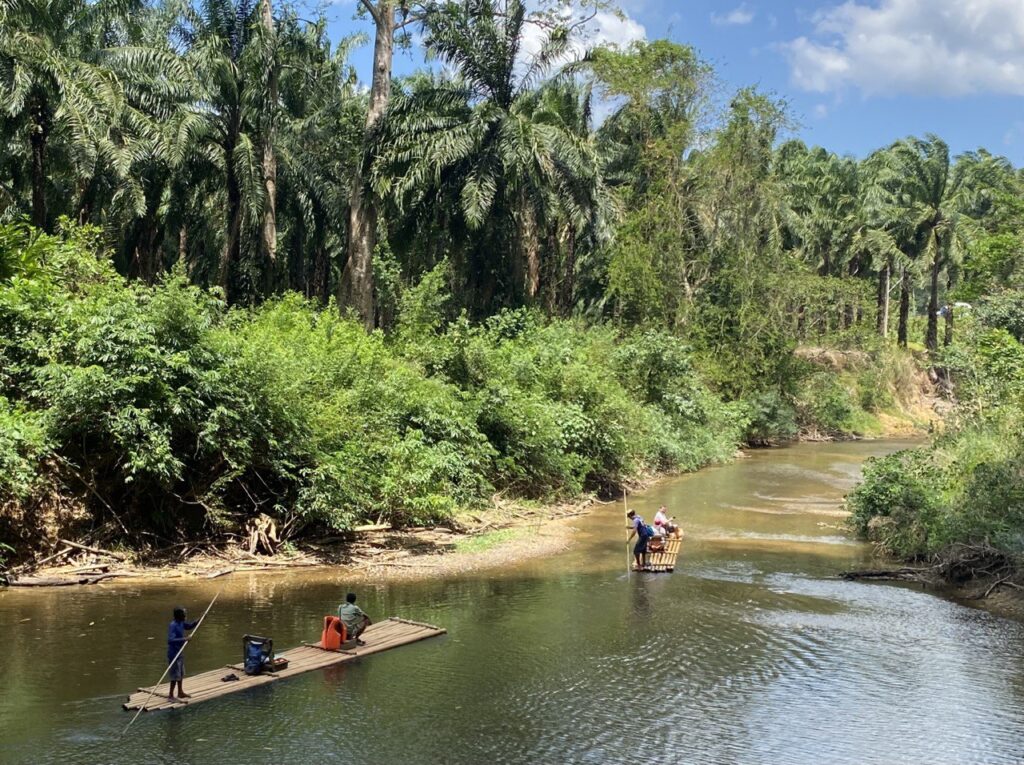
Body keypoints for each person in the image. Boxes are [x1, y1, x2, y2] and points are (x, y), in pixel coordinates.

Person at [167, 606, 198, 700]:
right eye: (184, 614)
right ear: (179, 616)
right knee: (174, 675)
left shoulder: (181, 623)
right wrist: (185, 639)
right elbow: (170, 640)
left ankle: (180, 692)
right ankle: (171, 695)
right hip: (173, 654)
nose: (186, 615)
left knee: (180, 674)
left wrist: (199, 620)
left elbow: (189, 626)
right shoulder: (173, 625)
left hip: (180, 653)